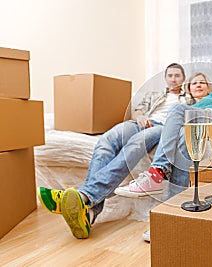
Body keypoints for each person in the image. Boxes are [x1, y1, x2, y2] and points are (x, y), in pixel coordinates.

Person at [37, 63, 193, 239]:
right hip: (141, 123)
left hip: (162, 128)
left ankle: (84, 196)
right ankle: (89, 212)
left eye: (177, 76)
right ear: (165, 78)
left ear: (183, 79)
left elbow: (190, 118)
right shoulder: (154, 95)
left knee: (134, 145)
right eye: (170, 75)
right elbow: (137, 111)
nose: (173, 79)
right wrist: (140, 117)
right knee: (106, 141)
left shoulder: (190, 98)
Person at [114, 72, 212, 242]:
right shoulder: (188, 103)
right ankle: (171, 216)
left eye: (202, 82)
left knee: (177, 110)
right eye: (194, 83)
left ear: (209, 86)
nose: (198, 85)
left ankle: (156, 173)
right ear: (188, 89)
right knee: (183, 135)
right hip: (193, 123)